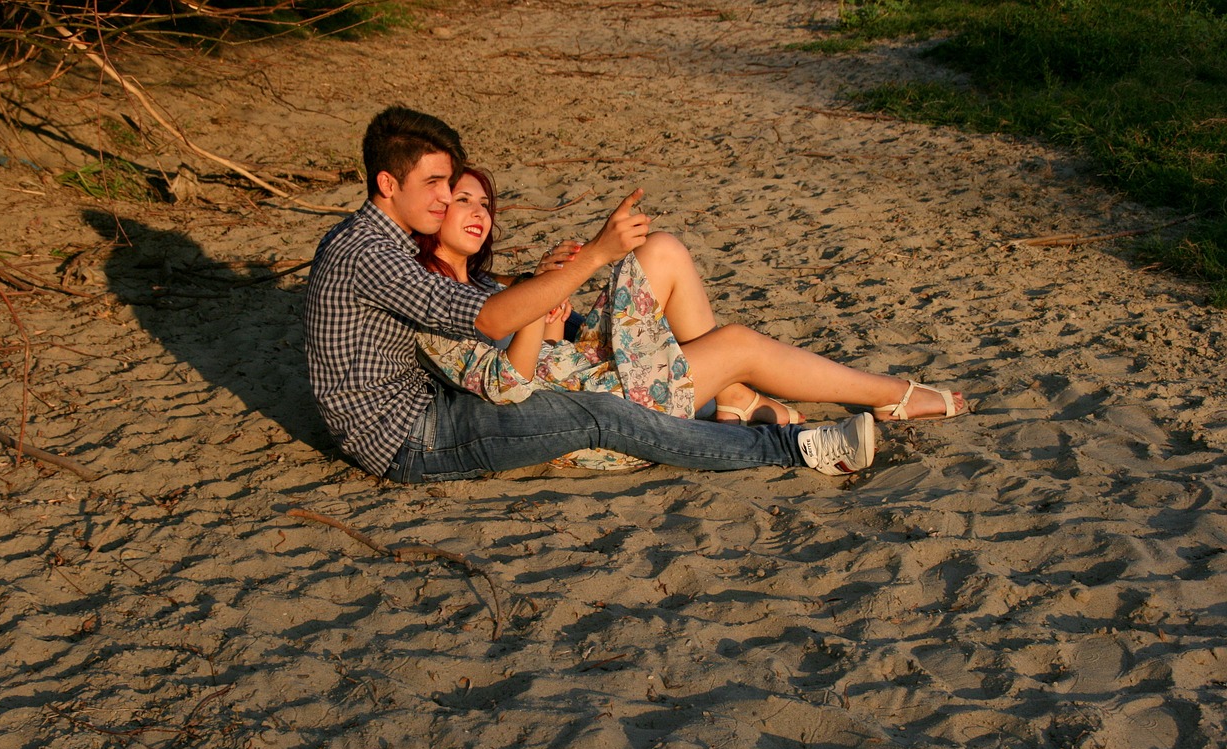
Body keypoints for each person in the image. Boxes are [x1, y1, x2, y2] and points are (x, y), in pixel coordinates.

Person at [303, 106, 876, 484]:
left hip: (433, 408)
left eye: (450, 187)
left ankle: (733, 408)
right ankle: (795, 446)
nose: (443, 200)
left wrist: (535, 288)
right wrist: (596, 256)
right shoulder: (372, 254)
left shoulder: (380, 244)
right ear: (387, 183)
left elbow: (480, 305)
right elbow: (485, 319)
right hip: (408, 439)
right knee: (601, 415)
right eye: (433, 185)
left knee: (600, 401)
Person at [411, 166, 966, 470]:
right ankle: (888, 394)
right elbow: (511, 385)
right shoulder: (429, 300)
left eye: (485, 204)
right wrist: (539, 296)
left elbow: (549, 344)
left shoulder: (482, 284)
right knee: (739, 343)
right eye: (463, 201)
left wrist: (551, 297)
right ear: (434, 214)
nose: (479, 213)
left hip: (588, 370)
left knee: (662, 249)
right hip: (602, 416)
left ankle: (735, 396)